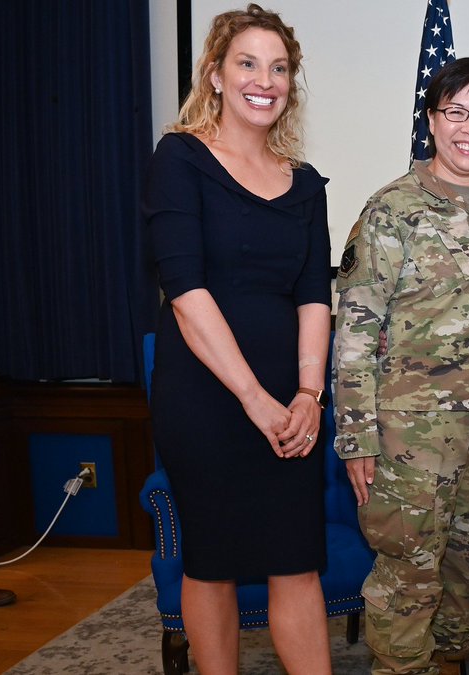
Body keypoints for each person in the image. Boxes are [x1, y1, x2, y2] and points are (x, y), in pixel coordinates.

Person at [141, 4, 331, 674]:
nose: (265, 79)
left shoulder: (306, 184)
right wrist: (255, 399)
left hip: (292, 396)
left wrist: (308, 392)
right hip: (206, 396)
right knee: (213, 560)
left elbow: (314, 295)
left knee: (296, 557)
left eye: (279, 68)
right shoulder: (181, 158)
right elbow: (187, 295)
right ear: (216, 75)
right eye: (247, 63)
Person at [333, 57, 469, 675]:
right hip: (410, 435)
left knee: (468, 569)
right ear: (432, 119)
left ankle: (450, 663)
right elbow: (356, 328)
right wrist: (356, 437)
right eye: (456, 112)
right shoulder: (391, 209)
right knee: (407, 575)